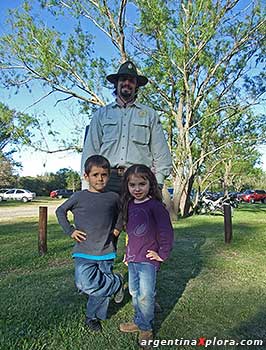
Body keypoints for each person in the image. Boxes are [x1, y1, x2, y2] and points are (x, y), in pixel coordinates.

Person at [81, 60, 172, 194]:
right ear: (116, 83)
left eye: (131, 81)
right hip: (106, 181)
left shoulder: (150, 115)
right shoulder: (101, 114)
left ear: (136, 86)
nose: (127, 83)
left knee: (139, 216)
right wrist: (86, 185)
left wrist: (157, 182)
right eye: (123, 79)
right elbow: (90, 151)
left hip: (138, 181)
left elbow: (161, 152)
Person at [56, 155, 124, 333]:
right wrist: (70, 230)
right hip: (84, 250)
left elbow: (122, 213)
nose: (100, 178)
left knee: (98, 290)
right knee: (84, 284)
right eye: (95, 175)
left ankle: (92, 318)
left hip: (106, 250)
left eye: (104, 174)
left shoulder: (113, 197)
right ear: (86, 176)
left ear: (109, 176)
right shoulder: (78, 197)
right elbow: (60, 210)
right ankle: (116, 283)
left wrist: (117, 229)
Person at [118, 164, 174, 346]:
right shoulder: (130, 205)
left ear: (150, 184)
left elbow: (166, 232)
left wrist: (162, 254)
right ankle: (139, 319)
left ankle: (146, 328)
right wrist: (127, 254)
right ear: (127, 186)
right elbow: (130, 234)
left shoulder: (156, 206)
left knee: (146, 295)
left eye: (141, 184)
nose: (137, 189)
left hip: (148, 259)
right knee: (135, 292)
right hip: (133, 258)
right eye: (132, 185)